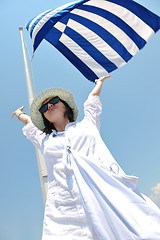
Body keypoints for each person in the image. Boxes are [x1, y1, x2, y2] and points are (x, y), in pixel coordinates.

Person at [11, 76, 160, 240]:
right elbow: (29, 124)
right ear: (44, 117)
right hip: (65, 207)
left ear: (65, 105)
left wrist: (99, 83)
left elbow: (92, 102)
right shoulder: (44, 140)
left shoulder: (88, 125)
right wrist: (19, 113)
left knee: (144, 232)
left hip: (105, 196)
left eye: (53, 100)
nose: (50, 106)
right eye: (44, 107)